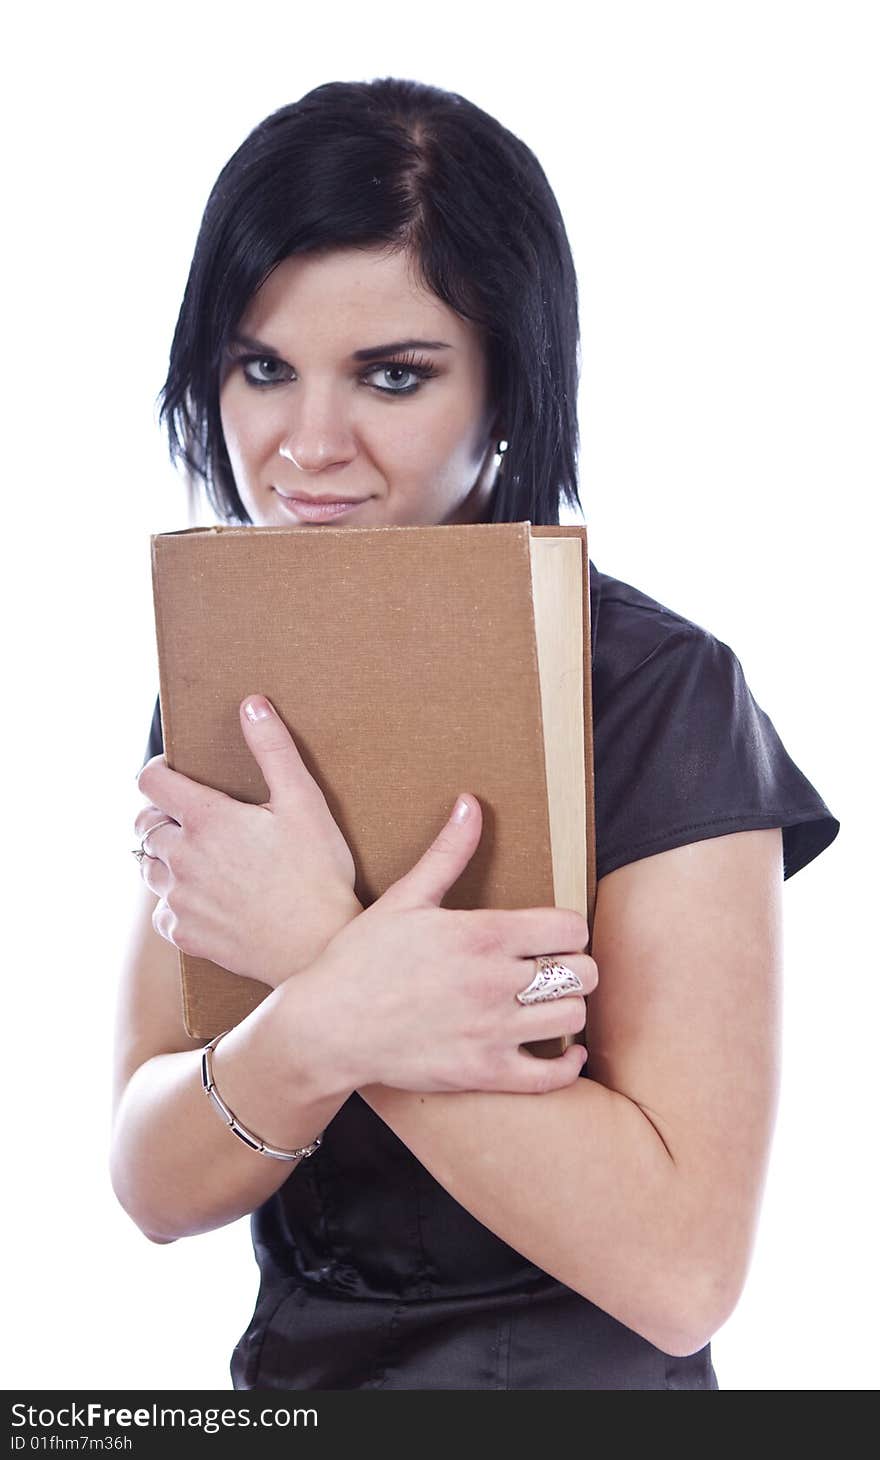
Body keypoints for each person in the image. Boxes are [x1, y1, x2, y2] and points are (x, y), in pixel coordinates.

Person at [111, 77, 840, 1391]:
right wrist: (330, 1012)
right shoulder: (228, 674)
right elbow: (154, 1180)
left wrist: (317, 957)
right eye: (262, 367)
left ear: (513, 375)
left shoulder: (659, 695)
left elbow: (681, 1274)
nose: (306, 446)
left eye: (393, 377)